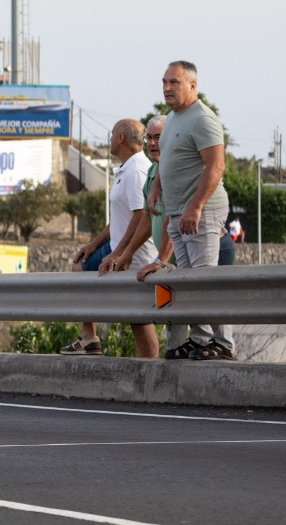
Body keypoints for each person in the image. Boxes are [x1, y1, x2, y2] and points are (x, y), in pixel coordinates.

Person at [136, 61, 232, 360]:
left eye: (174, 82)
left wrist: (196, 207)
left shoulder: (202, 119)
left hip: (201, 213)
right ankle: (201, 338)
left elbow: (216, 166)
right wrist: (155, 191)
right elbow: (165, 162)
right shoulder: (174, 119)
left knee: (205, 279)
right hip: (176, 213)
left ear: (192, 85)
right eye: (164, 82)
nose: (167, 88)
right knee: (188, 280)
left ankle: (224, 343)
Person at [65, 119, 159, 356]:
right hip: (117, 248)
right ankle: (88, 337)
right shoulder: (126, 168)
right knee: (81, 264)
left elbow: (140, 216)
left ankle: (151, 372)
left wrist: (120, 254)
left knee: (139, 319)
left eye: (112, 134)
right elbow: (121, 216)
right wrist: (95, 244)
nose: (109, 139)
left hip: (135, 253)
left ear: (121, 139)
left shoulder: (137, 170)